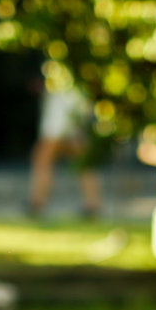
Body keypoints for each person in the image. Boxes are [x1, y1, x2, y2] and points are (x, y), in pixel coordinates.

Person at [28, 77, 104, 218]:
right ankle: (93, 204)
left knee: (44, 158)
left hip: (62, 111)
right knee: (83, 160)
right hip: (74, 110)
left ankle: (37, 203)